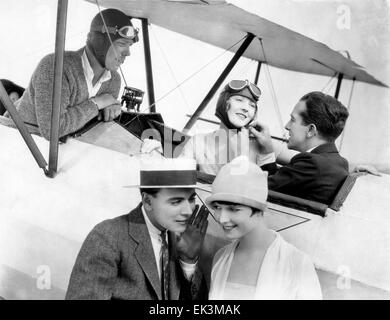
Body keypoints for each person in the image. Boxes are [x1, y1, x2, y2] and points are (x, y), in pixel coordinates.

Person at [66, 157, 209, 300]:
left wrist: (188, 262)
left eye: (191, 199)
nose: (188, 211)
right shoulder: (108, 236)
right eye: (176, 202)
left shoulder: (181, 238)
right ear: (147, 201)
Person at [4, 9, 138, 140]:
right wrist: (97, 103)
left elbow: (93, 125)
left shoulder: (113, 80)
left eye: (129, 46)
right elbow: (52, 130)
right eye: (121, 44)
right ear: (99, 41)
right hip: (16, 140)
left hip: (66, 148)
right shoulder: (56, 66)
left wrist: (111, 111)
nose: (127, 53)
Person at [206, 156, 322, 300]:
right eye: (217, 207)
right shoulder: (220, 258)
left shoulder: (297, 263)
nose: (222, 218)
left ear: (260, 209)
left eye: (233, 209)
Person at [141, 79, 291, 175]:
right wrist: (159, 155)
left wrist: (268, 152)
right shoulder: (198, 141)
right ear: (224, 103)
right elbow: (178, 172)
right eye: (239, 100)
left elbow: (305, 163)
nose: (246, 108)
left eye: (252, 105)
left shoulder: (263, 144)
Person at [250, 91, 351, 205]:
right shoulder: (340, 163)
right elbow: (280, 181)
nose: (287, 126)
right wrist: (267, 150)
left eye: (293, 120)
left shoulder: (312, 164)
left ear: (311, 130)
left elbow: (256, 188)